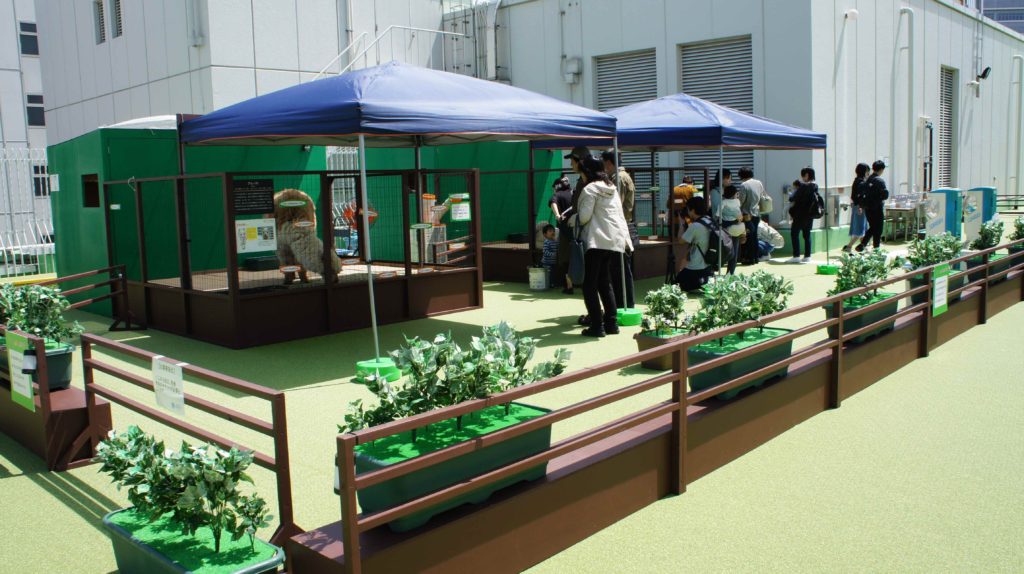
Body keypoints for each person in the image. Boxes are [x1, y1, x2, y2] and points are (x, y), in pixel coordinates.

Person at [570, 156, 632, 337]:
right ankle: (611, 323)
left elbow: (584, 217)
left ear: (586, 172)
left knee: (589, 285)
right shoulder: (611, 187)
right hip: (613, 240)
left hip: (596, 240)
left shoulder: (590, 189)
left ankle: (597, 326)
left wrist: (572, 219)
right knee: (605, 282)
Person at [602, 149, 637, 309]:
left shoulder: (619, 178)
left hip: (620, 227)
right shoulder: (620, 176)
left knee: (621, 269)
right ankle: (623, 303)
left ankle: (625, 304)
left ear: (608, 162)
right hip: (621, 226)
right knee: (619, 268)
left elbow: (616, 205)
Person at [676, 196, 713, 292]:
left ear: (692, 210)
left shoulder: (695, 226)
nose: (687, 212)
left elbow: (680, 241)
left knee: (677, 283)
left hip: (695, 267)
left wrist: (681, 223)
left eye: (688, 209)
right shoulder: (709, 220)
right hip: (708, 265)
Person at [548, 175, 575, 293]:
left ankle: (569, 286)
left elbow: (553, 203)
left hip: (565, 232)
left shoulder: (557, 195)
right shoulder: (574, 193)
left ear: (557, 186)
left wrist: (557, 215)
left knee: (565, 259)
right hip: (579, 231)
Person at [856, 160, 889, 252]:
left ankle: (863, 244)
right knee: (878, 229)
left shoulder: (867, 180)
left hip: (868, 208)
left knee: (873, 226)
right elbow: (885, 194)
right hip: (877, 208)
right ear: (882, 169)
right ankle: (876, 248)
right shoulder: (880, 180)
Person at [787, 169, 818, 263]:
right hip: (810, 214)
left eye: (803, 176)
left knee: (794, 233)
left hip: (800, 214)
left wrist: (793, 193)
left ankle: (796, 255)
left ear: (807, 175)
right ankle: (807, 256)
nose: (802, 178)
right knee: (807, 235)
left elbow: (792, 198)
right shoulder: (815, 186)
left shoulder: (803, 186)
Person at [737, 167, 764, 265]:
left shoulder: (744, 185)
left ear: (742, 175)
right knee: (754, 236)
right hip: (756, 213)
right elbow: (761, 196)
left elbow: (741, 201)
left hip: (746, 215)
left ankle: (748, 258)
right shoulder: (758, 183)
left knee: (746, 237)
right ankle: (755, 258)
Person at [843, 163, 870, 253]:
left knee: (862, 227)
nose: (868, 173)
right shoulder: (860, 182)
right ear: (864, 171)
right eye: (867, 171)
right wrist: (860, 206)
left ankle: (863, 246)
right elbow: (858, 196)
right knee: (860, 228)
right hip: (860, 207)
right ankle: (849, 246)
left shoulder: (857, 180)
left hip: (858, 206)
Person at [720, 184, 746, 274]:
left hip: (725, 230)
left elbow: (718, 217)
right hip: (736, 229)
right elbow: (740, 217)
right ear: (734, 194)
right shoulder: (737, 203)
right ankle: (730, 273)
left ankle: (728, 272)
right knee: (733, 253)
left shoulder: (723, 203)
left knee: (727, 252)